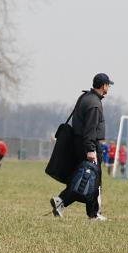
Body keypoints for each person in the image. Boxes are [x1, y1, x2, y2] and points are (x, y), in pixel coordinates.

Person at [50, 73, 113, 221]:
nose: (109, 87)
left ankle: (61, 201)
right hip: (88, 145)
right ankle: (94, 213)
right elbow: (90, 129)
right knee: (94, 180)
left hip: (79, 143)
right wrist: (91, 149)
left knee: (81, 178)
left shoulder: (85, 97)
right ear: (103, 86)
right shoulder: (95, 104)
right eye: (108, 85)